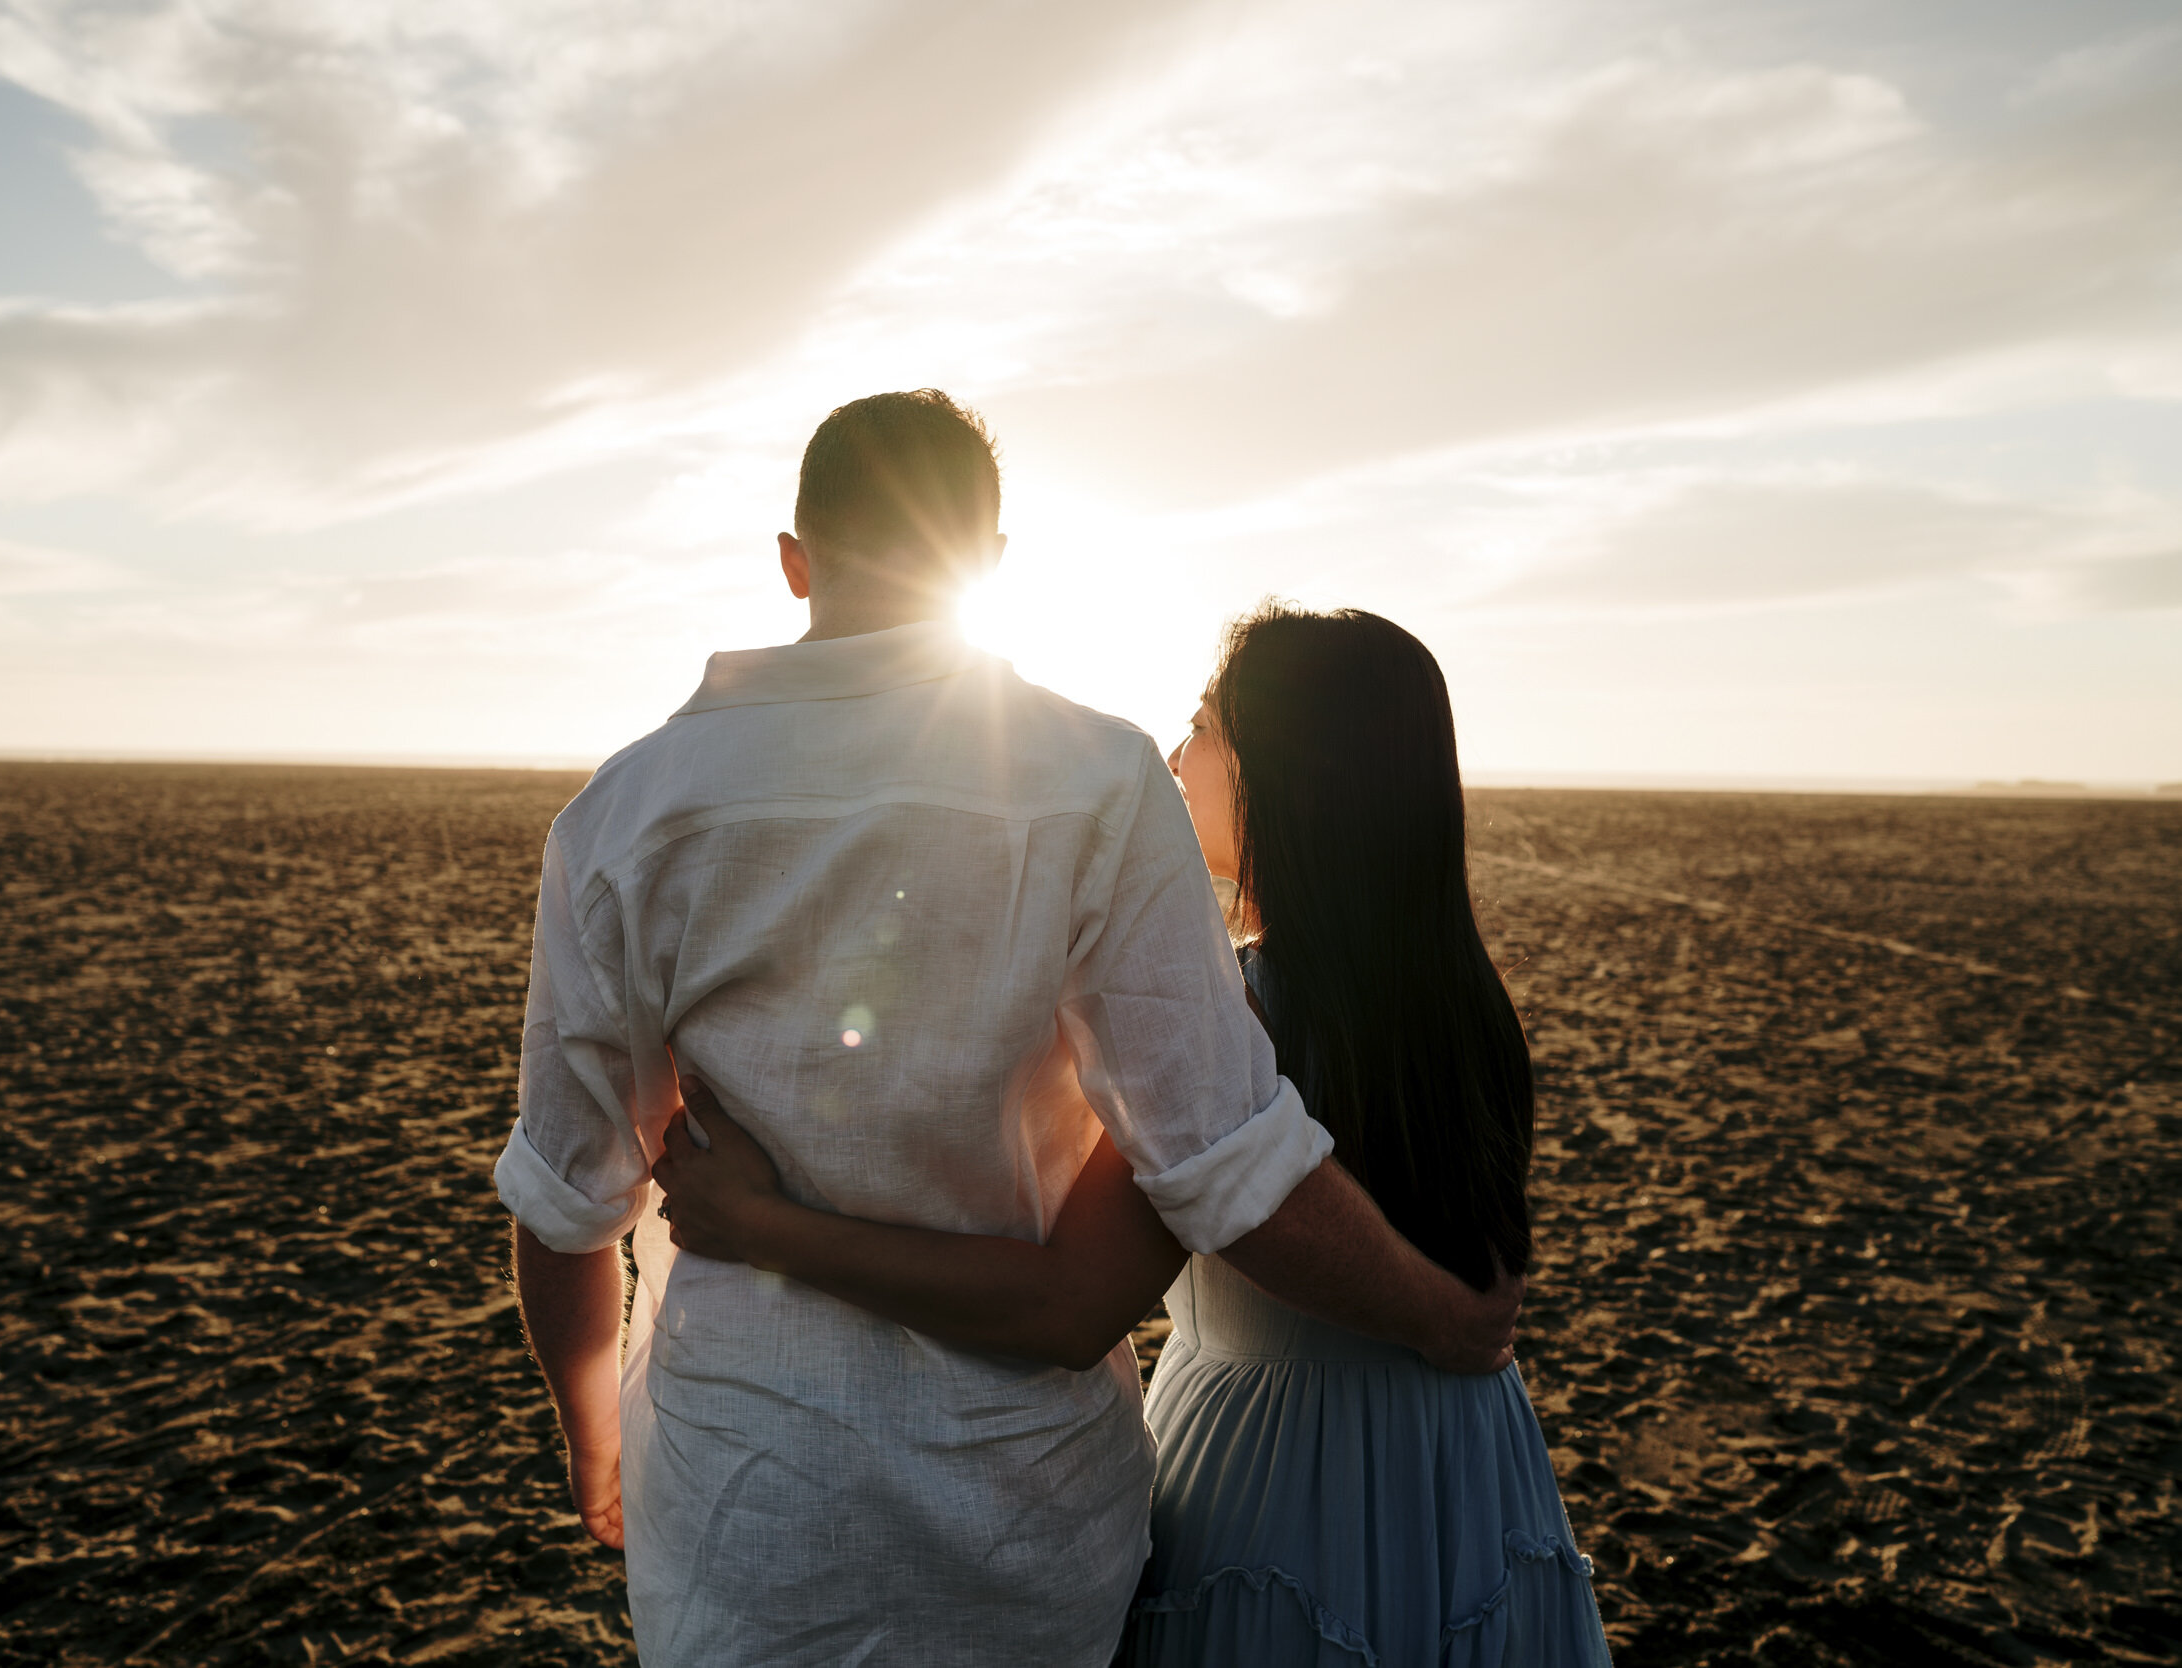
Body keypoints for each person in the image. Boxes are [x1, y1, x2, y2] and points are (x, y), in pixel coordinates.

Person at [495, 391, 1522, 1668]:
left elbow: (566, 1205)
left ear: (793, 561)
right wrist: (1436, 1311)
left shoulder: (623, 814)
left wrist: (594, 1433)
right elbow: (1221, 1157)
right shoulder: (1096, 783)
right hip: (1019, 1522)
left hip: (746, 1500)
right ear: (985, 564)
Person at [657, 605, 1612, 1666]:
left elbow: (1070, 1302)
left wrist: (759, 1223)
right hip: (1467, 1469)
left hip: (1281, 1475)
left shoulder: (1235, 1015)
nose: (1173, 759)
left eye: (1203, 729)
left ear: (1284, 777)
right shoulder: (1469, 1003)